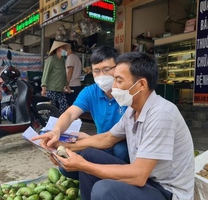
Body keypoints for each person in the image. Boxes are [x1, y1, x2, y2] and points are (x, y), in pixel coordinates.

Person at [35, 51, 195, 200]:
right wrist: (61, 145)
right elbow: (107, 138)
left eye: (119, 81)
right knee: (89, 153)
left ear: (141, 85)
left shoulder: (161, 114)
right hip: (148, 180)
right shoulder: (133, 110)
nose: (114, 87)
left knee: (104, 189)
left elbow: (138, 176)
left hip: (166, 191)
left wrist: (83, 165)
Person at [34, 46, 129, 180]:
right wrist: (57, 130)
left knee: (121, 149)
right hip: (101, 142)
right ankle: (101, 176)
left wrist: (70, 144)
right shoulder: (90, 92)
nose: (101, 75)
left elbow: (112, 138)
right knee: (65, 168)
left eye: (107, 69)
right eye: (96, 71)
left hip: (123, 144)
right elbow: (70, 114)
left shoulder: (128, 92)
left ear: (118, 67)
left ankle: (121, 181)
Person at [41, 41, 71, 114]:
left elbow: (63, 75)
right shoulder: (51, 60)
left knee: (64, 106)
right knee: (51, 109)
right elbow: (45, 73)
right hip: (51, 89)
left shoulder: (62, 61)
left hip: (60, 89)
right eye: (63, 48)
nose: (64, 50)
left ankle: (59, 120)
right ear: (58, 49)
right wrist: (43, 87)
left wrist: (67, 86)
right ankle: (50, 123)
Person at [64, 40, 83, 107]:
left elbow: (70, 71)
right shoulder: (76, 57)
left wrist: (67, 84)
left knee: (70, 106)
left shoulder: (70, 57)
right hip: (77, 84)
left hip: (71, 85)